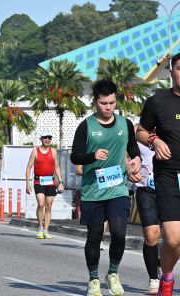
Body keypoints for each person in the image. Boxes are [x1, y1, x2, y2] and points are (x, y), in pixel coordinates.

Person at [71, 79, 141, 296]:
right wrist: (92, 156)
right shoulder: (86, 126)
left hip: (118, 188)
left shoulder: (125, 124)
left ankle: (113, 273)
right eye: (103, 103)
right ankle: (93, 278)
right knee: (95, 236)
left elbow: (132, 147)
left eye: (111, 103)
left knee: (119, 233)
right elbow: (75, 156)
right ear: (95, 101)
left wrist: (136, 159)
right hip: (94, 191)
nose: (108, 107)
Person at [137, 53, 180, 296]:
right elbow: (140, 131)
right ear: (171, 71)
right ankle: (167, 276)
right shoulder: (158, 101)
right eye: (179, 68)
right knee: (173, 240)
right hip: (168, 175)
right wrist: (154, 140)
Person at [130, 126, 161, 295]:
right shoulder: (137, 133)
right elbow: (124, 155)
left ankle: (161, 262)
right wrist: (129, 170)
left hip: (171, 189)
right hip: (145, 189)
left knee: (174, 238)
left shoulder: (172, 130)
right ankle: (153, 278)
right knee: (151, 234)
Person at [26, 131, 64, 239]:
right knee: (41, 204)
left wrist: (60, 182)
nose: (47, 139)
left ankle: (46, 230)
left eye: (49, 137)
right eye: (45, 137)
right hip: (39, 181)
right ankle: (40, 228)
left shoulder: (53, 151)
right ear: (41, 139)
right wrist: (28, 183)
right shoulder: (35, 152)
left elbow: (57, 167)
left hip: (50, 181)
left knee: (48, 206)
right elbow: (29, 167)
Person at [76, 164, 108, 250]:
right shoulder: (86, 156)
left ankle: (100, 240)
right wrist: (94, 173)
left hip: (105, 186)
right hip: (91, 190)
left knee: (105, 216)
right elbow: (78, 170)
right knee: (93, 221)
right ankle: (93, 238)